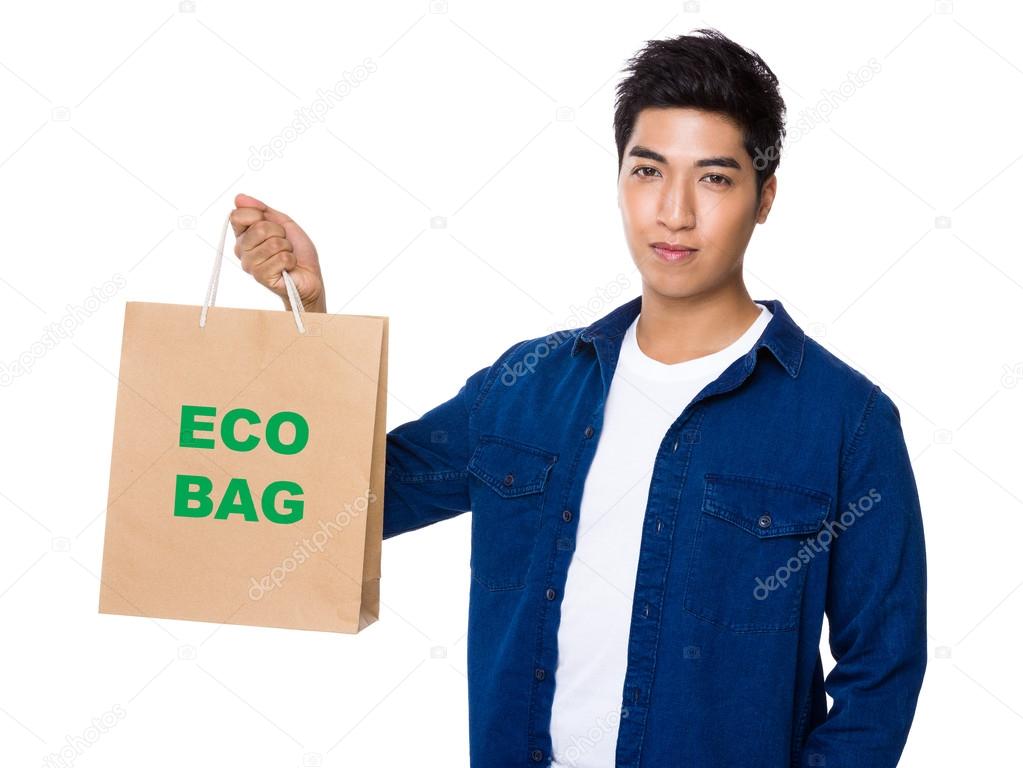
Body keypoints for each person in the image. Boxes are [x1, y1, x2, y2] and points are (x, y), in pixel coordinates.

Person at [230, 27, 927, 768]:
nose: (674, 212)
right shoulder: (527, 386)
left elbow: (879, 674)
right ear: (620, 178)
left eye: (714, 178)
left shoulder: (845, 422)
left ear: (764, 198)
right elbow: (351, 505)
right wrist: (310, 314)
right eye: (648, 171)